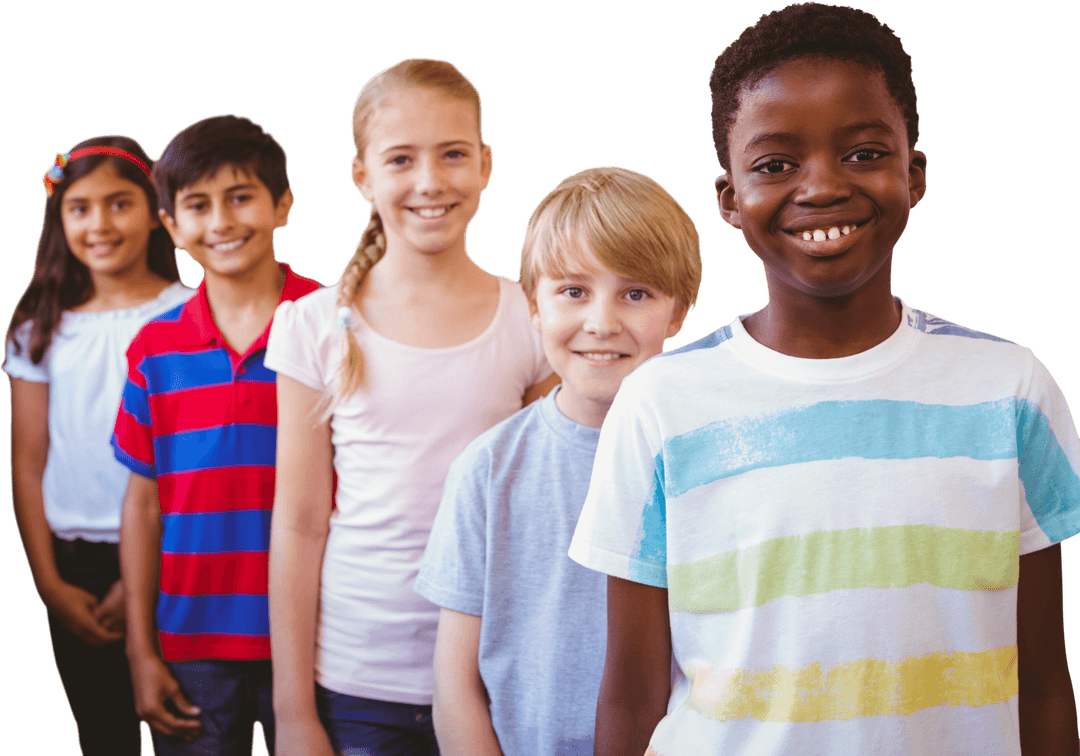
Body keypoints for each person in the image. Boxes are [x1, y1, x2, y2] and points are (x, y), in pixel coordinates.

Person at [568, 4, 1080, 755]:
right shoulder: (661, 405)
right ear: (730, 199)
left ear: (915, 174)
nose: (822, 188)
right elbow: (631, 697)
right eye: (776, 165)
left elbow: (1041, 683)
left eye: (864, 152)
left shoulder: (1010, 392)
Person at [265, 57, 557, 756]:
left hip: (494, 670)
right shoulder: (311, 325)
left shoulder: (534, 317)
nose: (430, 182)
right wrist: (293, 713)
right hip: (357, 676)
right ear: (363, 176)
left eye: (453, 154)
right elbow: (300, 524)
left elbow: (549, 508)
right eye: (401, 159)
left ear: (485, 165)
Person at [416, 166, 701, 756]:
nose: (600, 322)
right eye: (573, 291)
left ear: (678, 311)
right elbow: (455, 685)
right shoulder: (488, 471)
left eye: (636, 293)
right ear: (533, 305)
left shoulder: (710, 462)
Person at [111, 114, 319, 756]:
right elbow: (142, 506)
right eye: (198, 205)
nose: (222, 221)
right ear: (171, 225)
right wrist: (141, 650)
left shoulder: (331, 326)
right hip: (190, 646)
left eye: (241, 197)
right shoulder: (153, 351)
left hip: (317, 639)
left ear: (282, 204)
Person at [4, 135, 191, 755]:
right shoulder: (40, 325)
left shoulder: (191, 315)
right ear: (59, 219)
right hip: (76, 567)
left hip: (178, 557)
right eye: (79, 207)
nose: (100, 224)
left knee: (189, 729)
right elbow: (28, 461)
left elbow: (195, 463)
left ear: (155, 210)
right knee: (103, 734)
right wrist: (49, 584)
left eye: (119, 203)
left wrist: (143, 580)